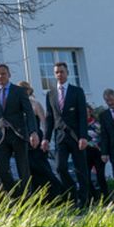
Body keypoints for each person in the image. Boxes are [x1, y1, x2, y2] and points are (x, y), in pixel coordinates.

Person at [45, 63, 92, 207]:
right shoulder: (51, 94)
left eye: (62, 72)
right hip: (60, 136)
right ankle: (72, 195)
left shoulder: (77, 91)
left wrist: (83, 136)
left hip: (76, 136)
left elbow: (82, 115)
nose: (59, 74)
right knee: (60, 167)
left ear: (67, 73)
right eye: (57, 72)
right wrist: (46, 138)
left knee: (80, 169)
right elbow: (49, 118)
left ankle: (83, 200)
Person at [0, 64, 38, 188]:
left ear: (9, 75)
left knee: (23, 169)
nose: (0, 76)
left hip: (18, 134)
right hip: (1, 136)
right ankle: (15, 194)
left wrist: (33, 132)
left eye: (3, 73)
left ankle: (27, 196)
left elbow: (29, 112)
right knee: (0, 169)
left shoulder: (19, 91)